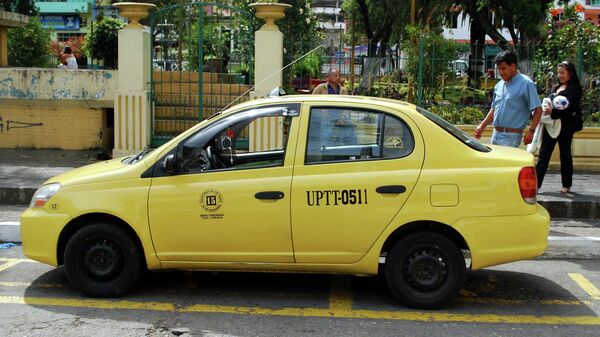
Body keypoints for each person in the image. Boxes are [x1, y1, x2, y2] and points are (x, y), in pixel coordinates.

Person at [474, 50, 542, 147]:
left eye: (503, 68)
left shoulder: (526, 84)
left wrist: (531, 131)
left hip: (512, 137)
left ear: (513, 66)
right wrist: (482, 126)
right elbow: (494, 109)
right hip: (495, 134)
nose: (501, 72)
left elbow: (538, 109)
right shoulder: (499, 85)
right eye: (499, 69)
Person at [535, 61, 583, 193]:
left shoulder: (575, 88)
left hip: (566, 127)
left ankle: (566, 185)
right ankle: (536, 184)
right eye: (558, 73)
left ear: (570, 74)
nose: (560, 75)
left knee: (565, 154)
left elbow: (571, 108)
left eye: (563, 73)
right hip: (551, 125)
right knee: (544, 154)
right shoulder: (556, 87)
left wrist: (553, 112)